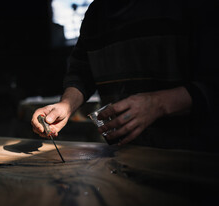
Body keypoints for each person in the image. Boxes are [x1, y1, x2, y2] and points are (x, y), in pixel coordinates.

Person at [31, 0, 219, 152]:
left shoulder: (194, 6)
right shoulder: (95, 13)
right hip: (124, 154)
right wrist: (66, 105)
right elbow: (81, 73)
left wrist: (158, 103)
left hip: (193, 158)